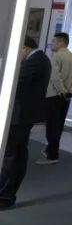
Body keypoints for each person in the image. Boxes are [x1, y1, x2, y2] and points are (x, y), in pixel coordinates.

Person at [0, 36, 52, 209]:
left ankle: (4, 196)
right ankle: (6, 195)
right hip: (22, 115)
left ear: (24, 47)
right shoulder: (39, 59)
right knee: (17, 154)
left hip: (20, 116)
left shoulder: (37, 60)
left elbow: (16, 83)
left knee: (11, 156)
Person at [38, 32, 72, 165]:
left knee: (52, 125)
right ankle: (51, 150)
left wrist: (62, 90)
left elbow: (55, 77)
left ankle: (52, 155)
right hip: (67, 97)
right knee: (59, 125)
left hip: (54, 95)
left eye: (54, 41)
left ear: (61, 42)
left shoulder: (56, 57)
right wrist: (70, 90)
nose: (52, 44)